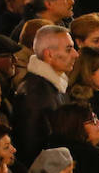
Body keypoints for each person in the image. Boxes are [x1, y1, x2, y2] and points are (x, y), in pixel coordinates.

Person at [15, 25, 78, 161]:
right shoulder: (36, 96)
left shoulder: (54, 86)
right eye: (69, 49)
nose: (75, 54)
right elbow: (33, 150)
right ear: (49, 55)